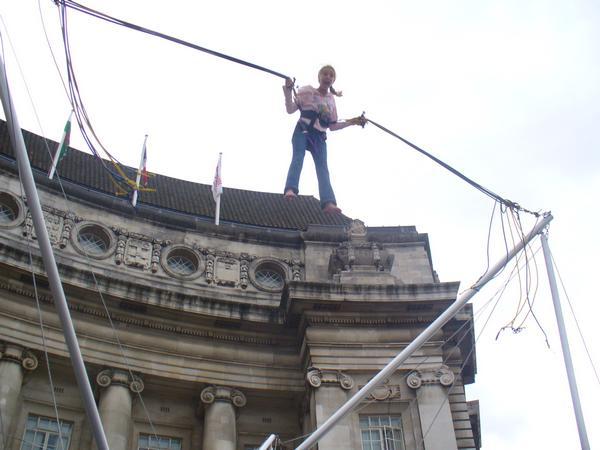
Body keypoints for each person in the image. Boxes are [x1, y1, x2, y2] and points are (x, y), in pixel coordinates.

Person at [282, 65, 365, 214]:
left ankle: (328, 203)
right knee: (298, 157)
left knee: (322, 168)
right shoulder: (306, 92)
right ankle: (290, 188)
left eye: (331, 76)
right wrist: (288, 90)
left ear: (333, 80)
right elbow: (290, 109)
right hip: (302, 130)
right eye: (325, 74)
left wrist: (353, 122)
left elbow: (332, 126)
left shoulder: (331, 100)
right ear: (319, 77)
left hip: (319, 137)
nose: (328, 77)